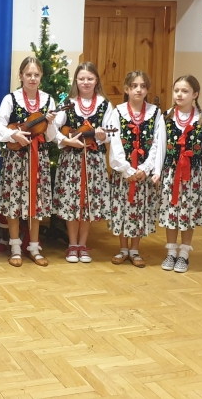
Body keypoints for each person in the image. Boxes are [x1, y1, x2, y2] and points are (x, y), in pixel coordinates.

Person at [0, 57, 57, 267]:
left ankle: (34, 248)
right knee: (14, 203)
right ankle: (15, 247)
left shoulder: (48, 101)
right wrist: (14, 135)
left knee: (35, 203)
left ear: (41, 76)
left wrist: (50, 124)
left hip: (39, 158)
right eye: (28, 74)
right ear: (20, 76)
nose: (32, 78)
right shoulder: (11, 99)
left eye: (36, 74)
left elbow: (51, 137)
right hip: (16, 159)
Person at [152, 75, 202, 273]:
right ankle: (171, 252)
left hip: (192, 174)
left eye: (185, 91)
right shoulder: (167, 116)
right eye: (177, 90)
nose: (179, 94)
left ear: (195, 94)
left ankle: (184, 254)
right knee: (171, 212)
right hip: (171, 173)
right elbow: (161, 146)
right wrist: (157, 171)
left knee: (188, 214)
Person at [53, 62, 113, 264]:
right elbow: (52, 128)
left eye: (90, 78)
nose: (86, 82)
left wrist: (103, 136)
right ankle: (72, 244)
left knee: (88, 204)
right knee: (72, 203)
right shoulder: (68, 102)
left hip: (93, 161)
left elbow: (111, 133)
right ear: (76, 81)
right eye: (81, 78)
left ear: (96, 81)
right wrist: (66, 140)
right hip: (71, 161)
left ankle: (82, 244)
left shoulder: (105, 104)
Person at [108, 71, 160, 268]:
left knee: (139, 210)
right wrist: (126, 169)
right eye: (134, 86)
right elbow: (115, 142)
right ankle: (123, 248)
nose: (139, 89)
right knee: (123, 209)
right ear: (126, 89)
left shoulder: (155, 113)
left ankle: (135, 249)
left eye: (143, 86)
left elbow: (157, 142)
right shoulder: (118, 112)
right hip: (125, 173)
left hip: (143, 174)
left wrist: (145, 168)